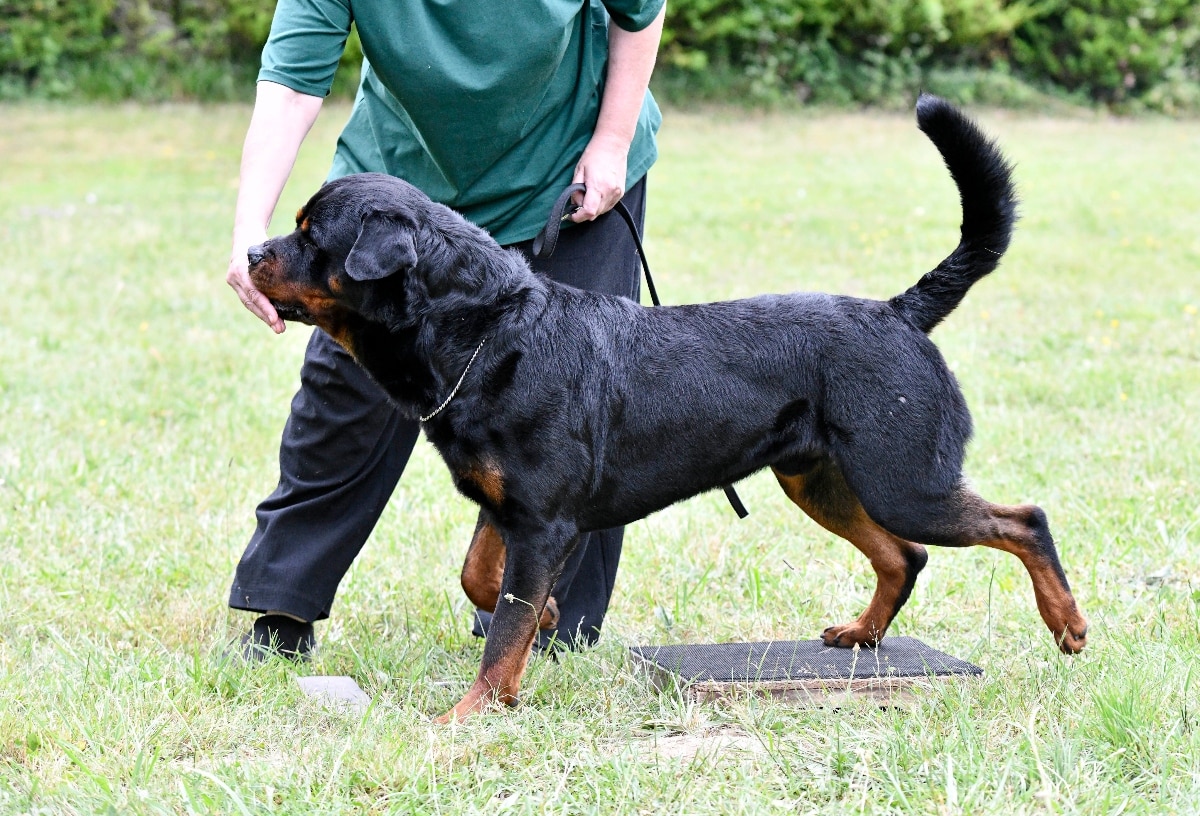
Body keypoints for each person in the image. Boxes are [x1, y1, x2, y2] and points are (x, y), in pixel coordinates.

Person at [224, 0, 667, 659]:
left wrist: (612, 141)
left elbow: (639, 10)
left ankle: (548, 627)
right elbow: (291, 83)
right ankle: (282, 609)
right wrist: (249, 228)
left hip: (565, 170)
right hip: (396, 196)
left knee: (577, 405)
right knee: (346, 399)